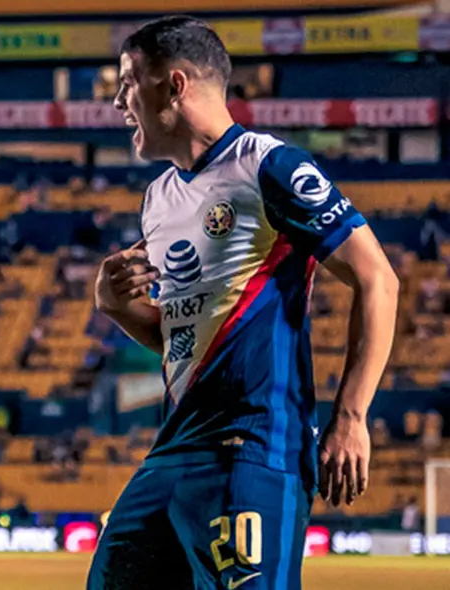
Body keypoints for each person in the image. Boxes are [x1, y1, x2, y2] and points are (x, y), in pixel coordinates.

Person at [89, 17, 398, 589]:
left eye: (128, 81)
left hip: (252, 447)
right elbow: (184, 340)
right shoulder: (158, 198)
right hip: (173, 449)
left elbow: (378, 277)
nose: (117, 101)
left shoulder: (268, 165)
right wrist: (118, 307)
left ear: (173, 84)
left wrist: (351, 417)